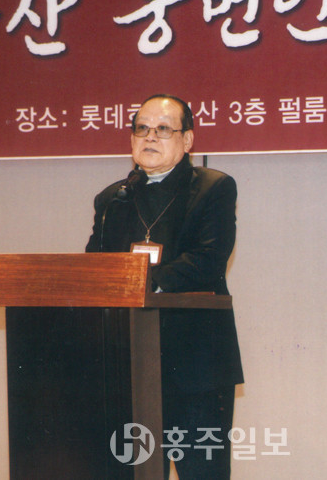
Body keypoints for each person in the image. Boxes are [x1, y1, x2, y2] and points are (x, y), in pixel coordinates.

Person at [86, 94, 243, 479]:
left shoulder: (213, 188)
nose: (150, 137)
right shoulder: (113, 198)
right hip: (126, 365)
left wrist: (140, 283)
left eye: (162, 129)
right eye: (141, 128)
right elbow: (94, 268)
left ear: (187, 140)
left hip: (195, 366)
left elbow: (207, 259)